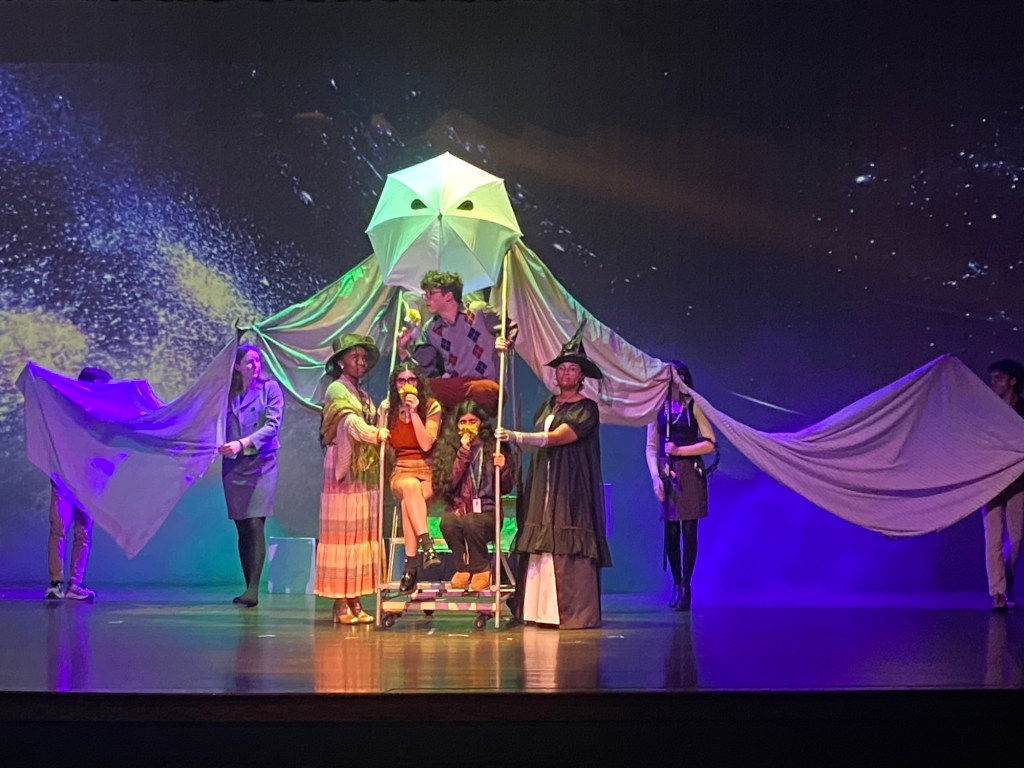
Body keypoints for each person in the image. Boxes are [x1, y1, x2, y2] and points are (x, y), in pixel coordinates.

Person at [497, 325, 612, 629]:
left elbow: (559, 436)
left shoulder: (586, 408)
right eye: (562, 368)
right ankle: (536, 609)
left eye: (572, 369)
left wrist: (517, 435)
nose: (565, 373)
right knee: (540, 534)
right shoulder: (548, 405)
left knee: (564, 532)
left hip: (569, 483)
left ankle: (568, 612)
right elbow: (538, 442)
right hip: (543, 480)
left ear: (581, 376)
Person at [316, 334, 390, 625]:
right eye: (354, 357)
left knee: (359, 531)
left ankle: (355, 597)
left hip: (362, 468)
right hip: (343, 468)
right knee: (343, 533)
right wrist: (375, 434)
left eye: (363, 358)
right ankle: (340, 601)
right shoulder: (337, 389)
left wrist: (385, 411)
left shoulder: (362, 395)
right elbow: (350, 423)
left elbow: (371, 423)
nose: (361, 362)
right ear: (341, 362)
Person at [644, 360, 718, 612]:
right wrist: (655, 477)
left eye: (681, 377)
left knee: (689, 530)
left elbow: (710, 443)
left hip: (689, 472)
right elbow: (651, 447)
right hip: (669, 473)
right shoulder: (658, 409)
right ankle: (676, 582)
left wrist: (680, 450)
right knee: (671, 532)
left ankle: (687, 585)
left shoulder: (694, 406)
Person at [218, 344, 283, 608]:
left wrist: (243, 443)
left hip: (261, 463)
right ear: (236, 366)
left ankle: (254, 589)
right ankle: (247, 587)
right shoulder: (227, 393)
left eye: (257, 361)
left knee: (255, 523)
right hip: (234, 466)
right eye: (249, 362)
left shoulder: (270, 389)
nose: (255, 366)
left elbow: (272, 425)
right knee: (242, 526)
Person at [396, 269, 513, 416]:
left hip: (484, 385)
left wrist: (505, 340)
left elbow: (509, 327)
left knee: (483, 390)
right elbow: (422, 371)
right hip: (456, 386)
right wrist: (403, 350)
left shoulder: (478, 311)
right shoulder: (432, 329)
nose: (426, 298)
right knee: (422, 387)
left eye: (431, 293)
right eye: (425, 294)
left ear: (448, 296)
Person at [432, 399, 520, 592]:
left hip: (488, 512)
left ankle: (481, 568)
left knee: (472, 521)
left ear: (481, 423)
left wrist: (503, 468)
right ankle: (463, 567)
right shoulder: (450, 448)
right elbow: (448, 484)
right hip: (460, 508)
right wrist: (463, 453)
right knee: (447, 521)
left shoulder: (494, 446)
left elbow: (506, 488)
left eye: (473, 421)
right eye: (463, 422)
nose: (467, 426)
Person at [44, 366, 113, 602]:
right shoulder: (66, 409)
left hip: (88, 480)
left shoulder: (101, 416)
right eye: (99, 387)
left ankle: (75, 584)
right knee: (59, 528)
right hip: (63, 478)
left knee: (82, 533)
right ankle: (55, 584)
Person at [384, 361, 443, 594]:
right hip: (402, 469)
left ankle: (411, 566)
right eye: (401, 380)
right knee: (409, 487)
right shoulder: (387, 409)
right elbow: (385, 448)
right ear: (395, 384)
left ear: (419, 383)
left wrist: (415, 413)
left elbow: (426, 444)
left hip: (427, 470)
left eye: (411, 380)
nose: (406, 385)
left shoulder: (431, 406)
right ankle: (427, 545)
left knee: (409, 503)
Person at [982, 358, 1024, 611]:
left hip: (1018, 481)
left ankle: (1005, 585)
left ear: (1012, 381)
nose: (993, 383)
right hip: (991, 480)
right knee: (993, 538)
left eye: (998, 378)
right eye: (993, 378)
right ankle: (997, 593)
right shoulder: (988, 411)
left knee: (1017, 540)